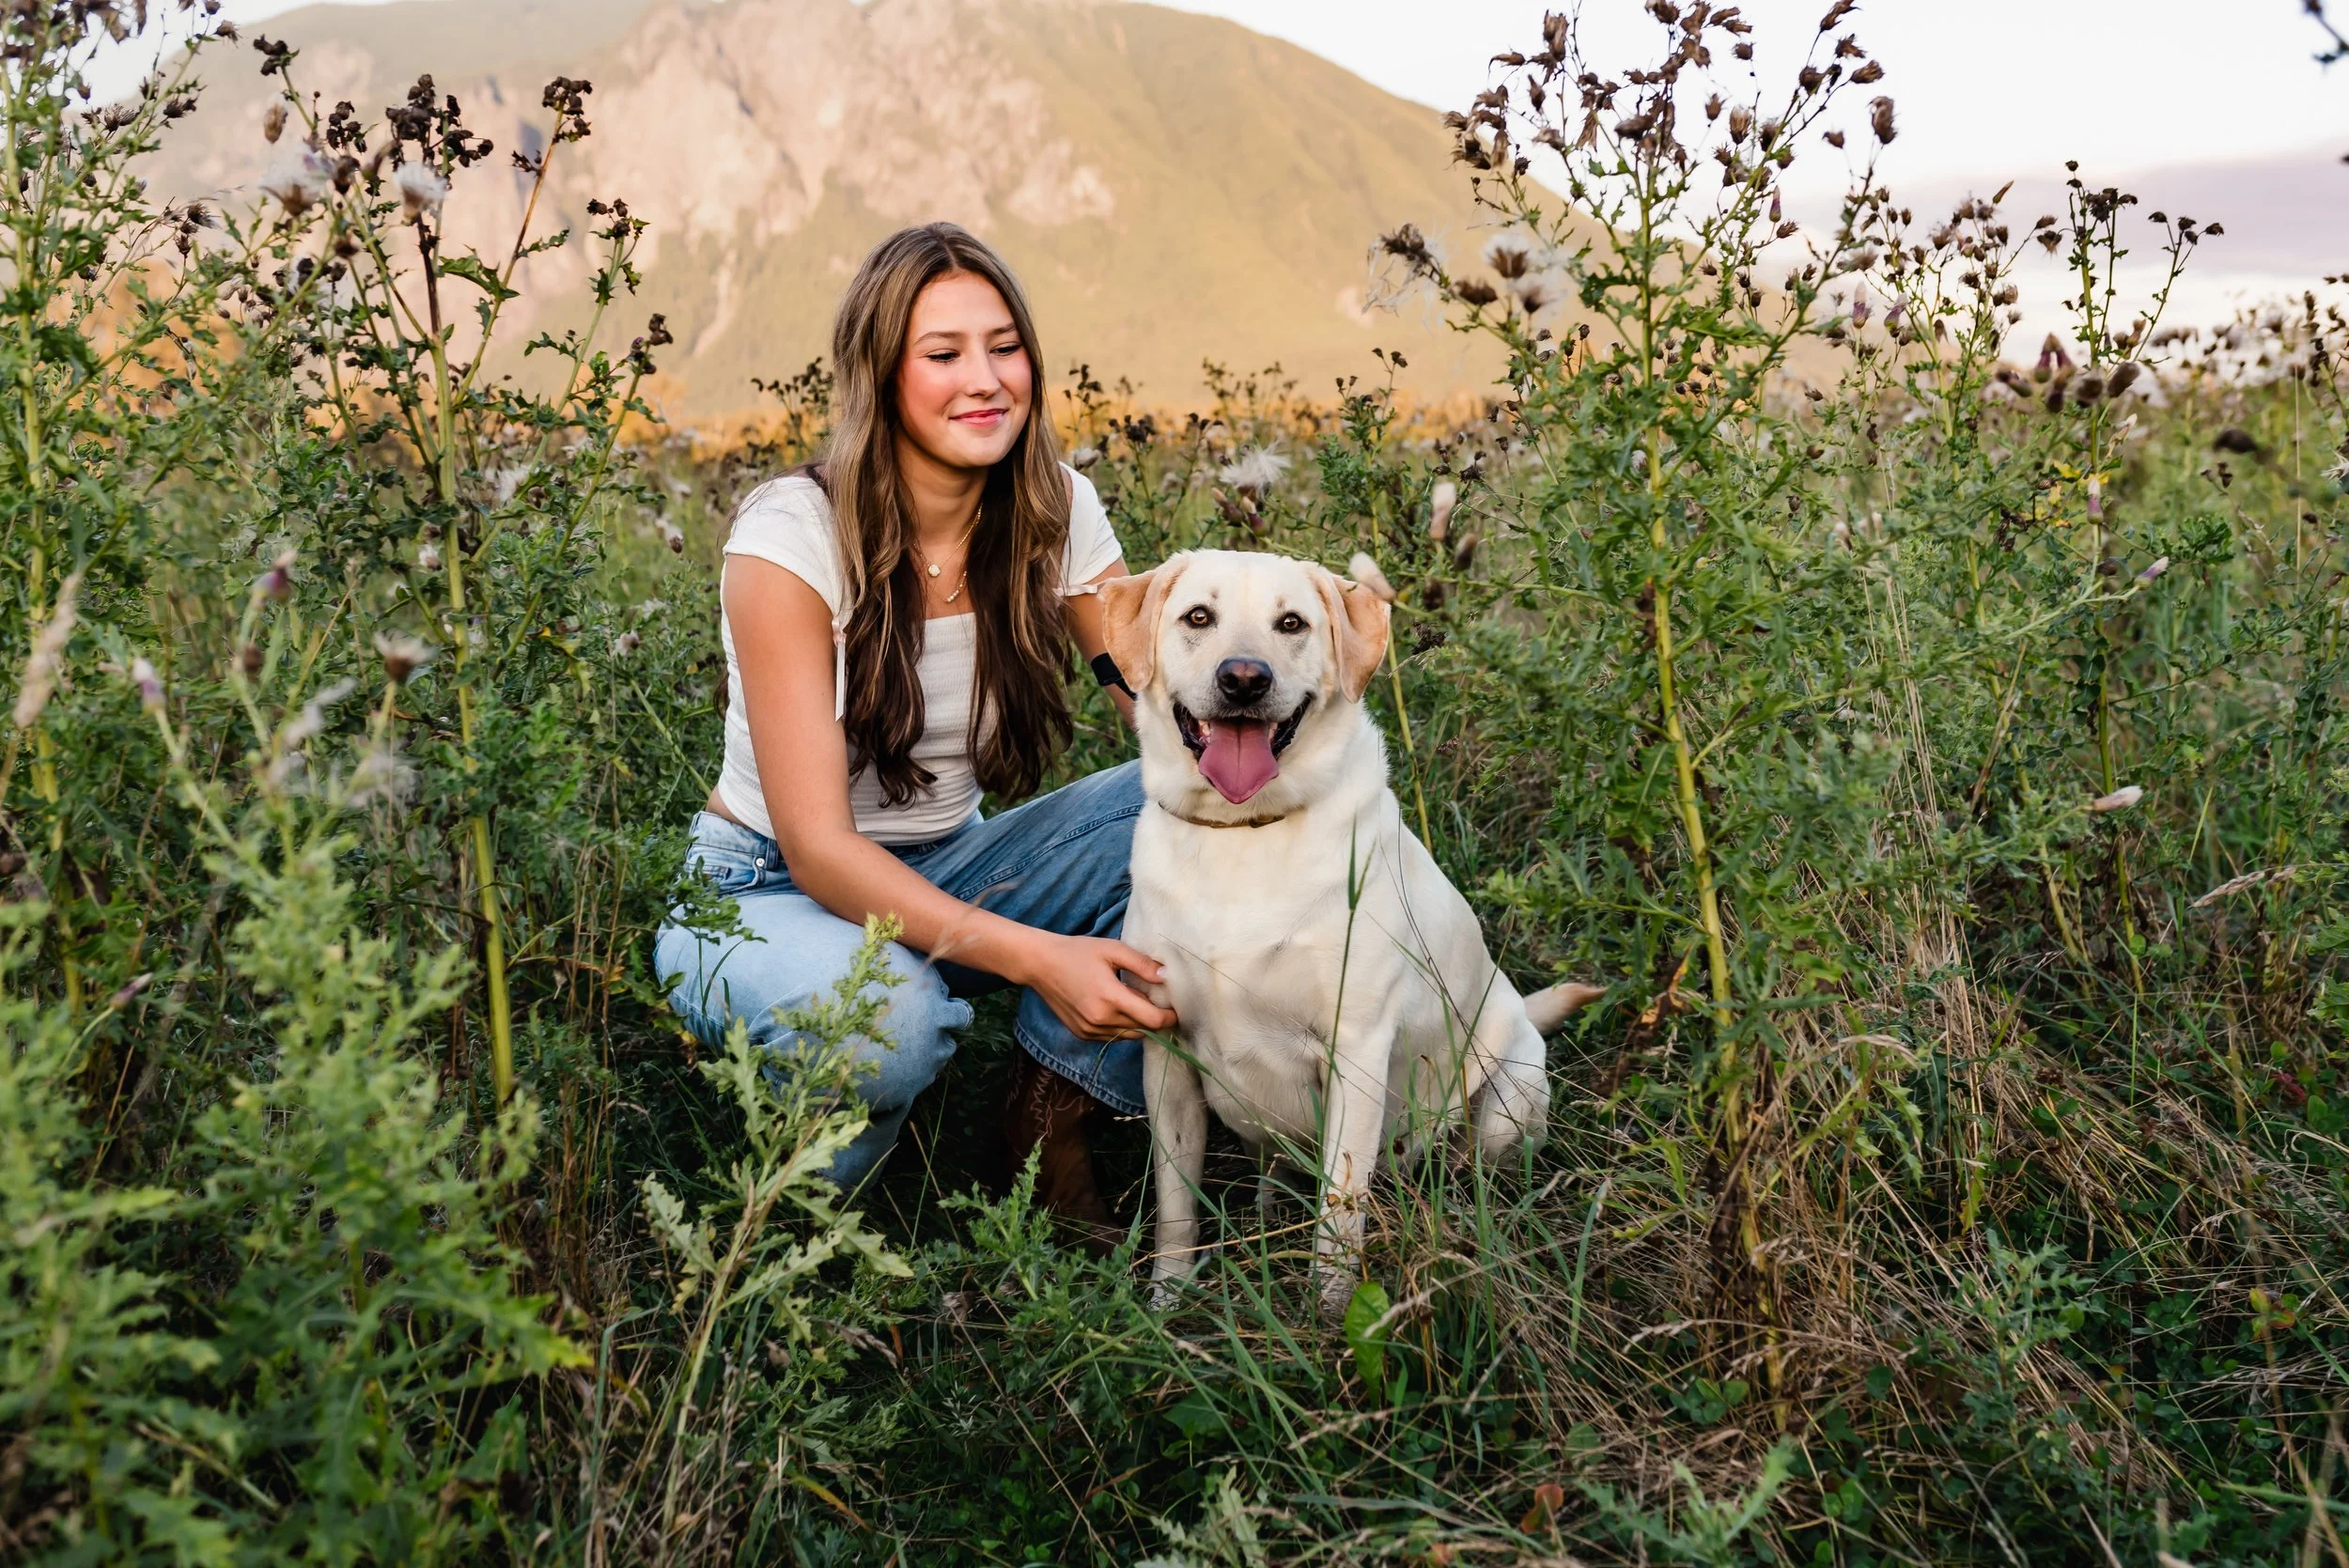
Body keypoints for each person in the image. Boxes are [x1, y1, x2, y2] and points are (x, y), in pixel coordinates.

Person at [653, 223, 1174, 1234]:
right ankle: (803, 1252)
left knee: (1192, 809)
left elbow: (1157, 712)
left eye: (1004, 345)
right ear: (879, 376)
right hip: (763, 888)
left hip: (955, 863)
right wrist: (1036, 956)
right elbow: (819, 849)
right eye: (942, 355)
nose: (984, 379)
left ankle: (1042, 1122)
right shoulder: (790, 539)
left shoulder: (1054, 509)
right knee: (884, 1024)